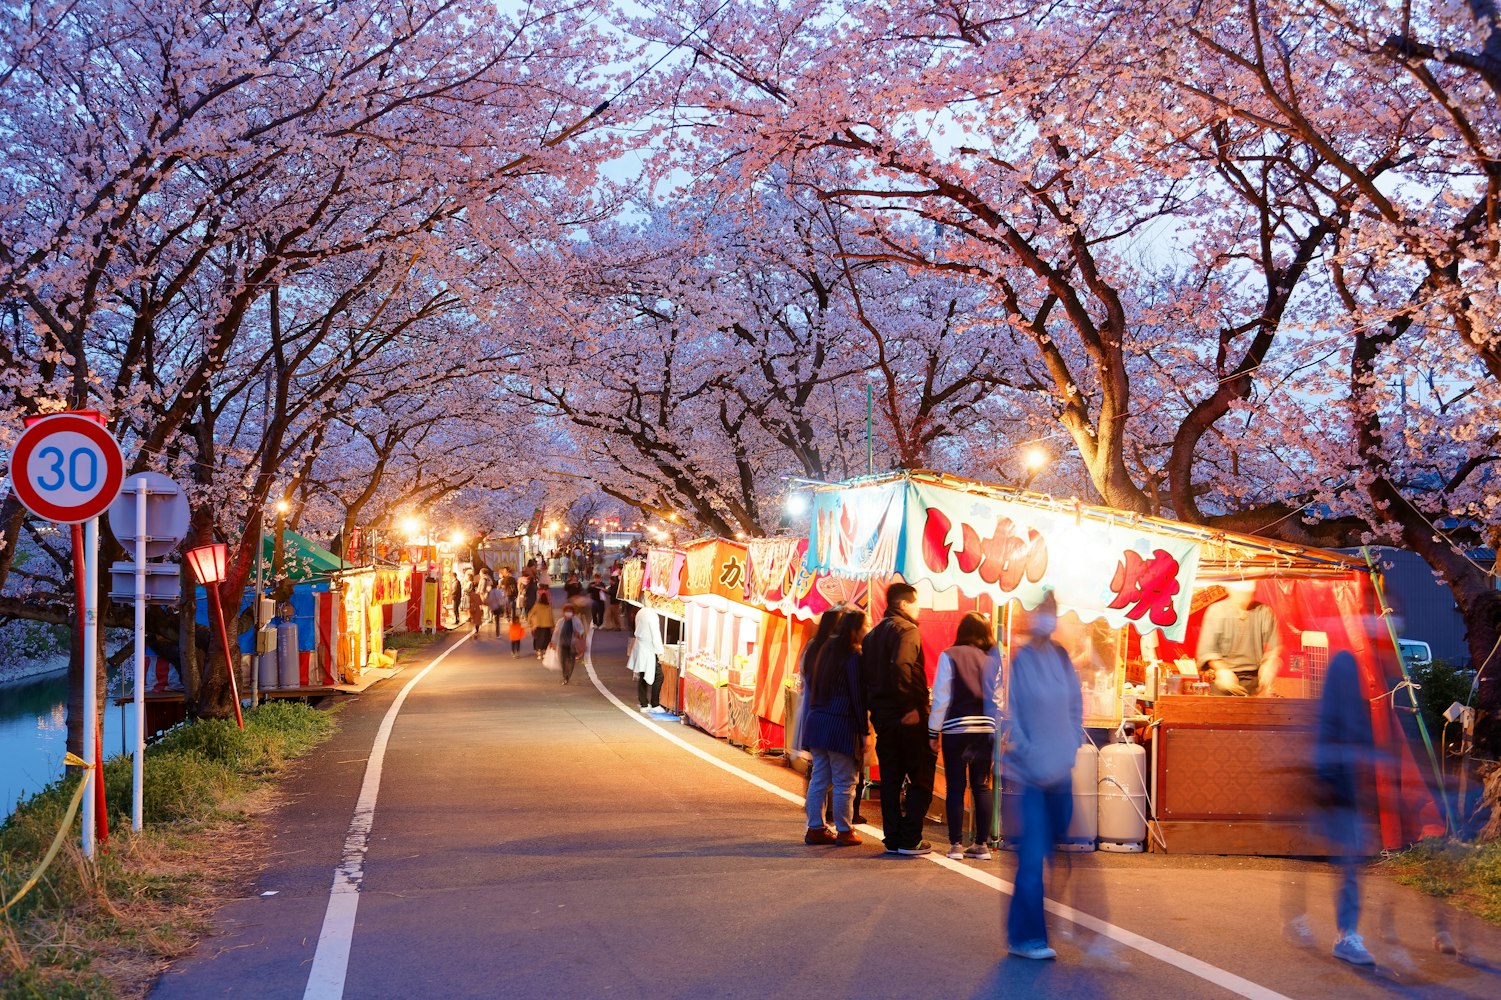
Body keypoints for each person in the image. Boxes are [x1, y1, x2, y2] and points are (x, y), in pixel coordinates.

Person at [1002, 591, 1082, 961]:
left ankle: (1030, 927)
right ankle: (1026, 937)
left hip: (1060, 772)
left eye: (1051, 610)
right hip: (1032, 776)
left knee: (1054, 854)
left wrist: (1069, 749)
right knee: (1033, 857)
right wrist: (1031, 753)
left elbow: (1074, 706)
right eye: (1041, 610)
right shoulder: (1022, 660)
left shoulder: (1062, 657)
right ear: (1030, 615)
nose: (1047, 617)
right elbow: (1015, 714)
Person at [861, 581, 935, 856]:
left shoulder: (872, 636)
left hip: (882, 717)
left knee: (891, 778)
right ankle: (910, 838)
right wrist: (909, 708)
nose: (919, 608)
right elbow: (902, 666)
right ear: (903, 604)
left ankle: (893, 838)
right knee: (921, 776)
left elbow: (866, 679)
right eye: (916, 603)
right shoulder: (908, 631)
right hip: (907, 719)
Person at [1316, 651, 1377, 966]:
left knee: (1348, 859)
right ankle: (1346, 935)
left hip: (1345, 782)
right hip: (1339, 783)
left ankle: (1339, 930)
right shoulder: (1345, 663)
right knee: (1350, 860)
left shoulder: (1359, 669)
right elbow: (1332, 725)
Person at [929, 611, 1001, 861]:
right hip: (986, 729)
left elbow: (942, 697)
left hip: (956, 728)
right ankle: (981, 845)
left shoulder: (950, 655)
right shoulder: (994, 658)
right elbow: (1000, 695)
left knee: (956, 787)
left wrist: (932, 730)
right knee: (982, 786)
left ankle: (956, 845)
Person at [801, 609, 868, 847]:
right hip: (840, 726)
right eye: (865, 626)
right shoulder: (852, 657)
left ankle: (815, 828)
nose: (867, 630)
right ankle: (844, 830)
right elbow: (857, 697)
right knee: (844, 781)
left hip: (816, 723)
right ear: (854, 630)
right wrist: (864, 731)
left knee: (820, 777)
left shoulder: (822, 650)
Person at [1196, 580, 1283, 696]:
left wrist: (1270, 663)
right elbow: (1207, 651)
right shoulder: (1216, 611)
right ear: (1230, 591)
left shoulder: (1264, 612)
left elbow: (1274, 646)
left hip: (1254, 681)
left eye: (1249, 595)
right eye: (1240, 595)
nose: (1245, 600)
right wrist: (1223, 671)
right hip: (1224, 681)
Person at [627, 605, 666, 712]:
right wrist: (660, 652)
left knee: (643, 673)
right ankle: (655, 704)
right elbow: (656, 635)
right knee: (659, 676)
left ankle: (644, 703)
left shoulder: (641, 612)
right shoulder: (652, 615)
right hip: (649, 648)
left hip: (641, 646)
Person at [555, 605, 585, 685]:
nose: (568, 613)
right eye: (566, 611)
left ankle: (567, 676)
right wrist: (553, 642)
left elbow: (581, 630)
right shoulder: (560, 621)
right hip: (562, 643)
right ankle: (565, 675)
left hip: (572, 644)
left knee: (571, 660)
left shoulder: (576, 621)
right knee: (562, 660)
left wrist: (579, 633)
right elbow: (556, 632)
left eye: (570, 612)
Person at [528, 590, 554, 659]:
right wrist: (552, 625)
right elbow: (551, 616)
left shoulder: (537, 606)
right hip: (547, 625)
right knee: (546, 639)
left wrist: (530, 623)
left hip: (538, 624)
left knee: (539, 638)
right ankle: (545, 652)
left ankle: (539, 652)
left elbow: (530, 614)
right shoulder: (548, 606)